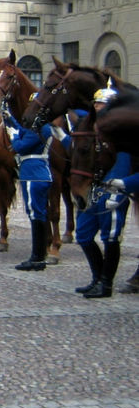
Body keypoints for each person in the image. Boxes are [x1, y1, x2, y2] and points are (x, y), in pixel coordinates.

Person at [65, 85, 133, 298]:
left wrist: (120, 188)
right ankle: (97, 277)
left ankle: (106, 284)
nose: (97, 107)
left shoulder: (122, 133)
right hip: (92, 188)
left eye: (102, 103)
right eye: (95, 103)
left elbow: (124, 160)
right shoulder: (91, 128)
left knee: (110, 237)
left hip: (113, 186)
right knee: (84, 235)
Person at [2, 102, 55, 271]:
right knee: (37, 213)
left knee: (36, 214)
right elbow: (24, 130)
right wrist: (10, 120)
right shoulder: (40, 127)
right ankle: (39, 255)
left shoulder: (40, 129)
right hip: (38, 173)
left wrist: (13, 135)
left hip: (33, 174)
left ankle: (37, 257)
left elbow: (20, 146)